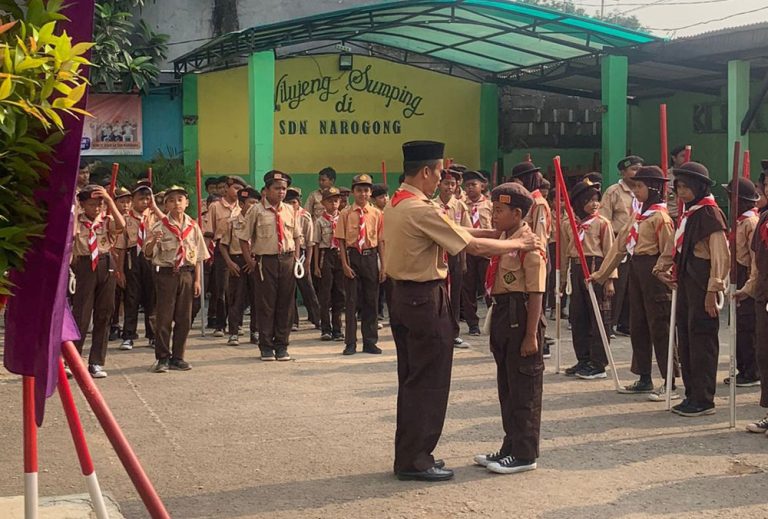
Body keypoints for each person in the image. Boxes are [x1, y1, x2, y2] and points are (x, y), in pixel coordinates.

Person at [384, 140, 539, 482]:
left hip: (402, 298)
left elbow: (459, 232)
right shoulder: (420, 209)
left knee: (412, 380)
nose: (441, 179)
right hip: (425, 299)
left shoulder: (399, 203)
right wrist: (519, 242)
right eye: (439, 173)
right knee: (429, 382)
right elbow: (471, 246)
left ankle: (409, 455)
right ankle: (417, 460)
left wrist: (498, 231)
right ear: (426, 171)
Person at [474, 182, 546, 475]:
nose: (494, 216)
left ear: (517, 213)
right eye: (493, 209)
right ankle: (510, 445)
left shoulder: (530, 243)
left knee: (524, 388)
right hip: (503, 312)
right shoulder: (506, 237)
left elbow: (536, 293)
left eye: (500, 211)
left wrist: (530, 336)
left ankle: (525, 453)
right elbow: (476, 238)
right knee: (507, 386)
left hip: (521, 315)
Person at [592, 166, 679, 400]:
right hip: (635, 269)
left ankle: (669, 380)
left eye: (640, 186)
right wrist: (601, 274)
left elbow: (668, 251)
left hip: (654, 274)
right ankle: (643, 376)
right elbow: (620, 246)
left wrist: (665, 274)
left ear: (652, 188)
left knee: (659, 326)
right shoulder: (638, 215)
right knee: (638, 325)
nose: (636, 191)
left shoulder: (661, 218)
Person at [654, 162, 729, 417]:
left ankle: (704, 397)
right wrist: (663, 269)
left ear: (699, 187)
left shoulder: (710, 215)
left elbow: (720, 256)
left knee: (702, 339)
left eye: (686, 187)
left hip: (702, 283)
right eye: (679, 187)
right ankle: (691, 393)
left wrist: (713, 289)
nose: (682, 192)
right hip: (686, 280)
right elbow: (675, 246)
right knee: (685, 337)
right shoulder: (689, 214)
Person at [144, 186, 209, 373]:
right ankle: (163, 357)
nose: (176, 203)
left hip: (187, 274)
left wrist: (197, 281)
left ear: (187, 203)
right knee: (164, 317)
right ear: (165, 205)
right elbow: (148, 254)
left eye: (180, 199)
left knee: (184, 318)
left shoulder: (193, 226)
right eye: (171, 200)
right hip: (166, 274)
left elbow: (198, 256)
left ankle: (178, 356)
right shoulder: (159, 227)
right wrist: (154, 241)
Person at [238, 171, 301, 361]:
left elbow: (297, 236)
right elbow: (243, 238)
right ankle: (266, 346)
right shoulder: (256, 210)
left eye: (284, 188)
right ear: (266, 190)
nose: (281, 192)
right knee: (266, 305)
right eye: (277, 188)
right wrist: (250, 260)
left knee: (286, 304)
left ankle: (282, 345)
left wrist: (296, 258)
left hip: (287, 260)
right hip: (266, 261)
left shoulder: (290, 210)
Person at [560, 179, 615, 380]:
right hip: (576, 269)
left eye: (596, 200)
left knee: (599, 316)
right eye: (589, 200)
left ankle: (598, 363)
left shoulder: (602, 223)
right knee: (578, 316)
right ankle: (583, 359)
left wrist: (609, 280)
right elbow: (564, 253)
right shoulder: (568, 224)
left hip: (596, 268)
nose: (594, 204)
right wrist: (562, 280)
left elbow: (610, 252)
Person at [71, 185, 126, 378]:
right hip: (85, 265)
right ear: (83, 204)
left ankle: (96, 362)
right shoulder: (77, 221)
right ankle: (74, 360)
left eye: (99, 204)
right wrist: (76, 212)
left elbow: (121, 226)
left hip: (106, 262)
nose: (96, 208)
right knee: (81, 313)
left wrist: (110, 201)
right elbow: (71, 236)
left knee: (104, 312)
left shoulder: (106, 220)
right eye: (92, 204)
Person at [507, 161, 553, 357]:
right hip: (523, 252)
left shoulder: (538, 202)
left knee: (536, 300)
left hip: (535, 254)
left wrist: (538, 257)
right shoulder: (527, 201)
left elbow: (540, 234)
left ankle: (539, 341)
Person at [336, 174, 385, 355]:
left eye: (366, 190)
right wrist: (345, 264)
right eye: (359, 190)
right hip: (353, 257)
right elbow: (340, 241)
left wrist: (383, 266)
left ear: (370, 193)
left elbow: (381, 242)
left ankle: (370, 341)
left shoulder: (377, 214)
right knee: (351, 302)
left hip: (370, 257)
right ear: (353, 192)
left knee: (371, 301)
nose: (362, 194)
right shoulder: (345, 213)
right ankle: (350, 343)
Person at [737, 180, 768, 433]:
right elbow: (757, 264)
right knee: (764, 352)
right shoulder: (764, 220)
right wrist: (747, 289)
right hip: (763, 295)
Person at [600, 156, 644, 337]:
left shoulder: (643, 190)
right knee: (617, 284)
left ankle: (627, 323)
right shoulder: (614, 192)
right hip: (620, 240)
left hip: (639, 242)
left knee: (633, 284)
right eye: (633, 169)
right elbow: (604, 219)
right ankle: (610, 323)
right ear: (623, 172)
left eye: (639, 169)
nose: (636, 173)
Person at [724, 178, 760, 386]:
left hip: (747, 276)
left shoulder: (751, 223)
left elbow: (755, 258)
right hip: (737, 275)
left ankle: (752, 370)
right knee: (738, 326)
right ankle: (743, 368)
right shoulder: (740, 222)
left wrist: (749, 286)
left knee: (748, 326)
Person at [117, 183, 162, 350]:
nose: (144, 202)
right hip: (132, 258)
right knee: (132, 297)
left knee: (153, 297)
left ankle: (152, 334)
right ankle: (128, 335)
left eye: (147, 199)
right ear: (132, 201)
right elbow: (122, 246)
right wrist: (120, 270)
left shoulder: (154, 216)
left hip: (151, 258)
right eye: (140, 199)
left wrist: (155, 207)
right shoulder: (127, 219)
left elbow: (166, 221)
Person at [220, 187, 261, 346]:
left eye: (257, 202)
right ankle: (234, 333)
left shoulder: (260, 221)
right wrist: (229, 263)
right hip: (237, 262)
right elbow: (223, 245)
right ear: (242, 204)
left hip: (254, 261)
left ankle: (255, 332)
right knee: (236, 298)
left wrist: (254, 262)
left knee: (257, 298)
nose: (255, 205)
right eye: (251, 202)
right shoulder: (232, 222)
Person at [207, 175, 247, 337]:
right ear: (227, 189)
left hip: (238, 250)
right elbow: (210, 231)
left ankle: (237, 323)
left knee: (239, 289)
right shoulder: (216, 207)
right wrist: (209, 254)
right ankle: (220, 324)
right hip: (221, 249)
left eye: (240, 189)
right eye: (235, 188)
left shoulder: (243, 207)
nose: (238, 192)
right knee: (221, 288)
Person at [436, 168, 471, 348]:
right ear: (439, 185)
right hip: (436, 254)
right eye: (446, 183)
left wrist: (463, 260)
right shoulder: (432, 205)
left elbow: (467, 233)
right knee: (439, 294)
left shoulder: (460, 206)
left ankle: (454, 332)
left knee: (455, 294)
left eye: (452, 184)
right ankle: (439, 331)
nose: (449, 187)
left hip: (455, 254)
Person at [462, 170, 493, 336]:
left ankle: (492, 319)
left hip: (485, 250)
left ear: (482, 186)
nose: (470, 189)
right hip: (467, 249)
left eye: (473, 185)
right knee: (468, 288)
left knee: (488, 286)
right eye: (467, 186)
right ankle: (472, 324)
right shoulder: (461, 205)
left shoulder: (490, 206)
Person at [285, 187, 321, 330]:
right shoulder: (284, 214)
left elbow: (310, 241)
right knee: (289, 289)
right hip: (288, 253)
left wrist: (308, 262)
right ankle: (293, 321)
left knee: (307, 288)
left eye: (294, 202)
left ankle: (317, 318)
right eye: (288, 202)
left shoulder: (304, 216)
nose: (291, 205)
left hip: (303, 254)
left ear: (298, 202)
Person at [314, 187, 346, 342]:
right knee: (325, 294)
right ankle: (326, 329)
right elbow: (316, 244)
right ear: (323, 203)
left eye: (336, 200)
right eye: (330, 201)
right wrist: (315, 265)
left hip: (340, 256)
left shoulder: (343, 219)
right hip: (325, 255)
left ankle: (338, 329)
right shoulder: (320, 221)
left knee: (339, 293)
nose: (333, 204)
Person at [110, 187, 133, 342]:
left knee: (128, 295)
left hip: (129, 261)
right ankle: (114, 324)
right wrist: (118, 269)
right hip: (113, 260)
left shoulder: (132, 219)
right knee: (115, 295)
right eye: (122, 202)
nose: (125, 205)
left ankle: (126, 327)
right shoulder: (111, 219)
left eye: (127, 202)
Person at [372, 183, 390, 321]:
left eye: (386, 195)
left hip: (391, 250)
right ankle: (377, 311)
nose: (385, 199)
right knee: (378, 284)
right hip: (377, 252)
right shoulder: (373, 214)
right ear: (373, 199)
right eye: (381, 197)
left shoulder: (391, 212)